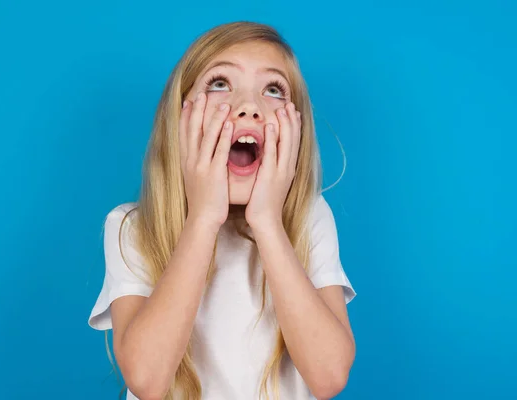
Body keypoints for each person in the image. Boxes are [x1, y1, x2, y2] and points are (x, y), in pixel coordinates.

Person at [88, 21, 357, 400]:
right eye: (219, 83)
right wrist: (202, 217)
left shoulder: (309, 218)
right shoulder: (130, 227)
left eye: (273, 89)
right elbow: (147, 380)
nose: (249, 107)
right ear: (180, 118)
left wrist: (267, 222)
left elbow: (329, 376)